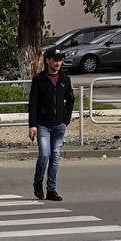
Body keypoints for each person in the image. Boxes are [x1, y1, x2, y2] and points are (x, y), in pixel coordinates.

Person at [26, 47, 75, 201]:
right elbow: (33, 103)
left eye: (60, 60)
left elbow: (71, 99)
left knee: (55, 156)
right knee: (44, 155)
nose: (57, 63)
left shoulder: (65, 79)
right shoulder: (39, 79)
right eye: (55, 60)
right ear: (47, 61)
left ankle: (51, 189)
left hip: (59, 124)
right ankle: (38, 182)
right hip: (43, 125)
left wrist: (66, 119)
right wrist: (32, 125)